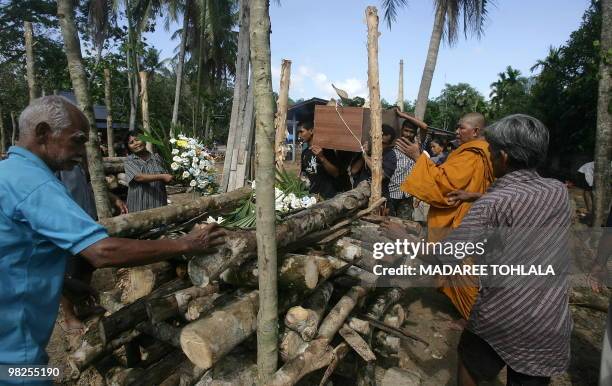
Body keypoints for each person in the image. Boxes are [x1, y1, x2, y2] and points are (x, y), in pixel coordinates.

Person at [0, 96, 225, 368]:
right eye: (77, 139)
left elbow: (16, 251)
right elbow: (102, 251)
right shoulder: (33, 183)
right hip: (12, 341)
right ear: (44, 133)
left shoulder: (10, 173)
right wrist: (189, 244)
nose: (83, 152)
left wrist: (67, 284)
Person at [384, 114, 572, 386]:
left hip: (504, 314)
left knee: (471, 362)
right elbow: (519, 202)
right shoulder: (557, 192)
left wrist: (403, 238)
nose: (490, 157)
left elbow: (444, 257)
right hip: (550, 316)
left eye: (493, 152)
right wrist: (474, 195)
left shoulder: (493, 204)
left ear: (504, 157)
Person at [395, 112, 494, 321]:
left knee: (462, 266)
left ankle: (481, 317)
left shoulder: (474, 154)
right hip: (477, 215)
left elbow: (445, 184)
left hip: (466, 220)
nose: (456, 131)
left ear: (475, 131)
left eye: (461, 127)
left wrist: (417, 157)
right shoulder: (482, 151)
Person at [57, 163, 128, 332]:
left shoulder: (79, 163)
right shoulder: (57, 164)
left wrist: (114, 198)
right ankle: (69, 316)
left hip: (88, 220)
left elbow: (90, 186)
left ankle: (83, 306)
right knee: (69, 273)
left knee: (87, 268)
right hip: (69, 225)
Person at [124, 133, 173, 212]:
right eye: (131, 142)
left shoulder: (157, 158)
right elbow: (138, 177)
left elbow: (167, 178)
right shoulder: (129, 160)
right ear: (128, 147)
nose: (136, 143)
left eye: (137, 139)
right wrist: (162, 176)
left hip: (158, 204)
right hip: (138, 207)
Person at [351, 124, 397, 200]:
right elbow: (354, 170)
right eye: (378, 141)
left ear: (389, 144)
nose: (379, 145)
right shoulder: (369, 149)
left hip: (377, 197)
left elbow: (381, 175)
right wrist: (364, 154)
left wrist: (366, 157)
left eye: (384, 143)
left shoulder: (391, 156)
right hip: (359, 194)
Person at [388, 110, 419, 218]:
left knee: (405, 226)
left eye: (411, 132)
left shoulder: (416, 148)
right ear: (401, 130)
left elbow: (424, 127)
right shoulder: (392, 148)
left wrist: (403, 116)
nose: (408, 134)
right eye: (406, 131)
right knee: (388, 223)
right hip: (391, 193)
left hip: (407, 195)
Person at [297, 121, 340, 199]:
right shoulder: (305, 152)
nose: (299, 135)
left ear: (311, 131)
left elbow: (336, 173)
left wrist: (322, 157)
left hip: (327, 197)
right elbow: (304, 174)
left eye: (301, 132)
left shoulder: (326, 150)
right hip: (312, 197)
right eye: (298, 132)